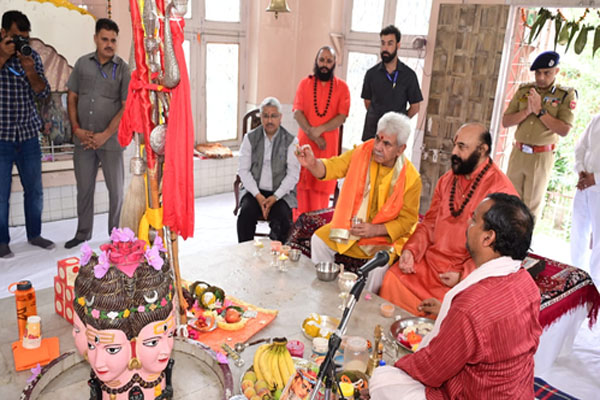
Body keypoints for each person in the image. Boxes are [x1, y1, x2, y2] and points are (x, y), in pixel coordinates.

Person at [369, 193, 541, 399]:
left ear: (488, 238)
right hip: (519, 392)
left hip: (477, 394)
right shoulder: (527, 283)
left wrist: (397, 367)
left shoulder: (471, 305)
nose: (468, 224)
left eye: (474, 220)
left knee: (382, 380)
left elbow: (431, 369)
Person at [379, 123, 517, 315]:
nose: (454, 152)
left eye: (462, 147)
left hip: (462, 271)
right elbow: (429, 223)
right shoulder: (447, 180)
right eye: (454, 145)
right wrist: (411, 250)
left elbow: (498, 250)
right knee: (393, 279)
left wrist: (463, 276)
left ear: (482, 150)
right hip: (431, 263)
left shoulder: (501, 192)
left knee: (454, 304)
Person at [297, 112, 421, 292]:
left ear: (401, 149)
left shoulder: (411, 178)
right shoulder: (362, 152)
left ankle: (362, 304)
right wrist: (312, 163)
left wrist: (375, 230)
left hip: (383, 237)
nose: (378, 147)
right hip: (352, 227)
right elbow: (333, 167)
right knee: (318, 240)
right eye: (377, 139)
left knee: (378, 267)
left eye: (386, 144)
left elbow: (408, 220)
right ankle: (326, 293)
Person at [65, 18, 130, 249]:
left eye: (113, 40)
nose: (109, 44)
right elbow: (71, 97)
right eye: (105, 39)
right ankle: (83, 233)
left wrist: (105, 134)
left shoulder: (123, 69)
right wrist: (76, 129)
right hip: (83, 140)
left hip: (111, 141)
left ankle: (116, 237)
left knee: (116, 191)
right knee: (84, 189)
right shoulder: (82, 64)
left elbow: (126, 106)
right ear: (95, 39)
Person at [0, 10, 54, 258]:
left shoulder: (30, 56)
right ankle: (2, 241)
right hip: (2, 136)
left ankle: (35, 234)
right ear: (3, 33)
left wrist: (30, 70)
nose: (21, 42)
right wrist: (3, 56)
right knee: (1, 194)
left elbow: (44, 94)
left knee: (35, 190)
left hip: (29, 135)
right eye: (16, 37)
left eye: (25, 37)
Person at [502, 50, 576, 220]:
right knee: (509, 202)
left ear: (556, 71)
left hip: (540, 156)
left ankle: (526, 237)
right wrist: (527, 111)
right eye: (538, 73)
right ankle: (507, 236)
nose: (541, 77)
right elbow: (506, 121)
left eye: (547, 73)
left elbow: (564, 130)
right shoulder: (525, 91)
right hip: (518, 153)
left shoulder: (565, 95)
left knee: (530, 207)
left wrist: (540, 111)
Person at [293, 46, 350, 218]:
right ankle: (297, 231)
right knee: (300, 192)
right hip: (305, 145)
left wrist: (319, 130)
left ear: (334, 63)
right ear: (316, 61)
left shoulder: (342, 87)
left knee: (320, 195)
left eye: (329, 61)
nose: (324, 64)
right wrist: (313, 135)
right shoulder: (304, 83)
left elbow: (342, 117)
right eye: (322, 60)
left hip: (327, 149)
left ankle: (316, 231)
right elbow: (297, 113)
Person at [237, 97, 300, 242]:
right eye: (265, 116)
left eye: (274, 116)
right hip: (254, 192)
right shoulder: (250, 138)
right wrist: (259, 196)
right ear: (261, 117)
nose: (269, 120)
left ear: (280, 118)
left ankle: (276, 254)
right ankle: (245, 252)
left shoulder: (291, 141)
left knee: (282, 219)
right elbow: (243, 171)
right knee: (245, 215)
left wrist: (275, 197)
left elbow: (293, 175)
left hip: (280, 193)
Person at [361, 25, 423, 141]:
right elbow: (367, 102)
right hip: (372, 133)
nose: (385, 48)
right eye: (383, 43)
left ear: (398, 45)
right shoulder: (371, 74)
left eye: (390, 43)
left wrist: (399, 122)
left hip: (395, 136)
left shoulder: (409, 76)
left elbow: (415, 107)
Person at [570, 114, 600, 289]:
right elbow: (580, 147)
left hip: (597, 187)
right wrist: (581, 171)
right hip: (584, 186)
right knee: (578, 233)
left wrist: (595, 178)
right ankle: (576, 278)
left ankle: (595, 287)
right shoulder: (597, 119)